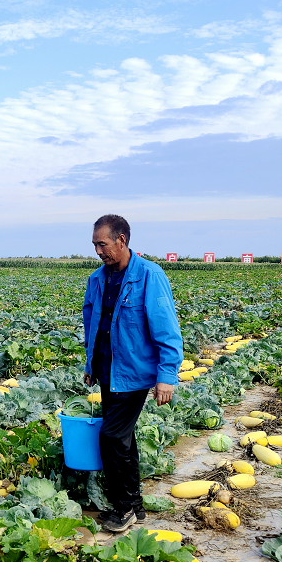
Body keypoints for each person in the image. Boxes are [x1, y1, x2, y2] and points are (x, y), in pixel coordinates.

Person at [82, 214, 183, 533]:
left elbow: (167, 329)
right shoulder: (97, 279)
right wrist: (90, 364)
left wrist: (166, 375)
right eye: (95, 245)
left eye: (103, 244)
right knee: (123, 439)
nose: (98, 251)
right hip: (108, 371)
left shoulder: (149, 276)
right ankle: (135, 505)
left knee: (111, 436)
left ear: (121, 240)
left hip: (135, 373)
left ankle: (123, 508)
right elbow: (92, 326)